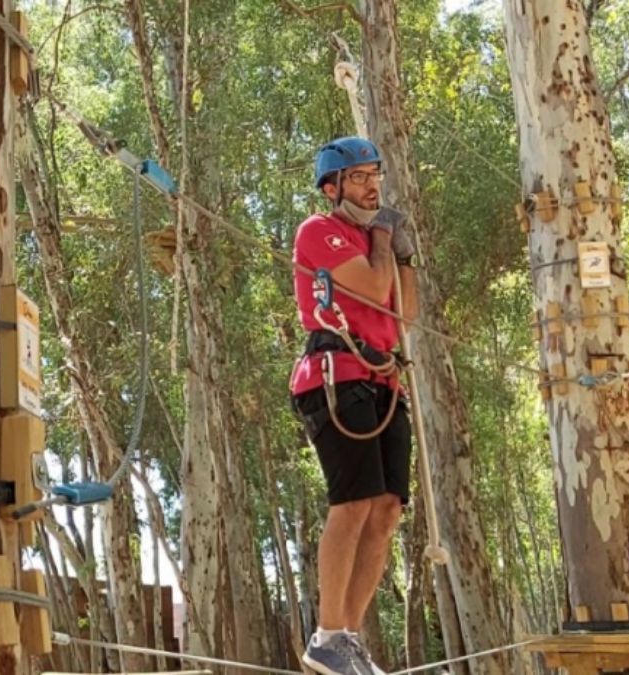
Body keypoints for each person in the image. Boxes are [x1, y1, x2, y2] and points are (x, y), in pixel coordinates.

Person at [289, 137, 419, 675]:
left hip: (382, 378)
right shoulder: (319, 231)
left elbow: (404, 313)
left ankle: (348, 635)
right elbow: (369, 288)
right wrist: (384, 238)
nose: (372, 187)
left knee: (387, 509)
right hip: (337, 373)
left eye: (375, 176)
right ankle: (326, 635)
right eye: (360, 178)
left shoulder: (374, 241)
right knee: (354, 502)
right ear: (332, 187)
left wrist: (404, 254)